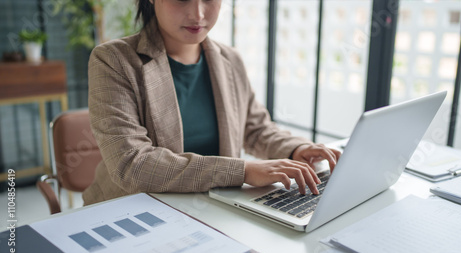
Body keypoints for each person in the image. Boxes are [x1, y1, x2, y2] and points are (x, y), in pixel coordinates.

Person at [83, 0, 341, 205]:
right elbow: (133, 164)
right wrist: (243, 171)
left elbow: (255, 128)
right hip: (133, 213)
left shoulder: (229, 59)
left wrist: (296, 149)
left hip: (215, 210)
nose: (197, 14)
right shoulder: (113, 60)